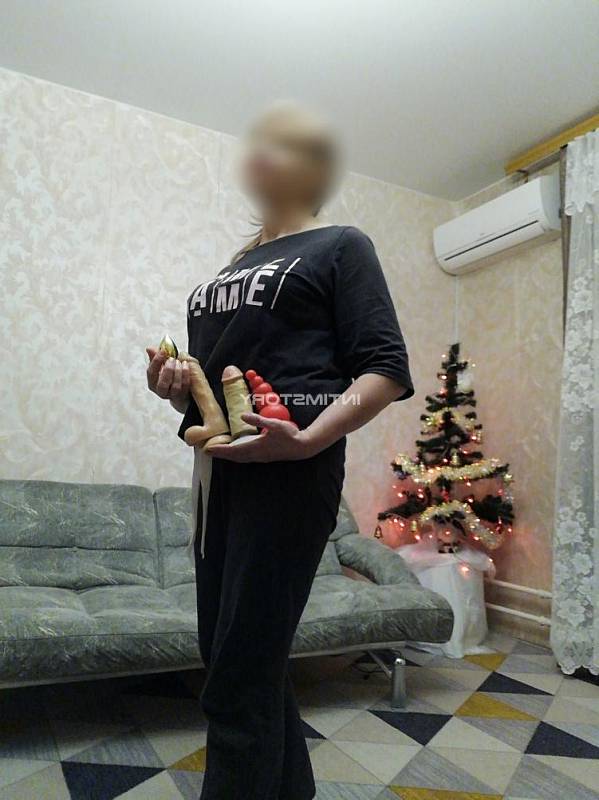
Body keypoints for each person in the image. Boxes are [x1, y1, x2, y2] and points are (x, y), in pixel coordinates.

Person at [146, 102, 414, 800]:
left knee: (235, 679)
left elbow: (385, 368)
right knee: (239, 662)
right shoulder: (229, 270)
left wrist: (309, 440)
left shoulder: (339, 245)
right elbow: (210, 393)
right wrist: (174, 388)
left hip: (292, 475)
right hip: (217, 477)